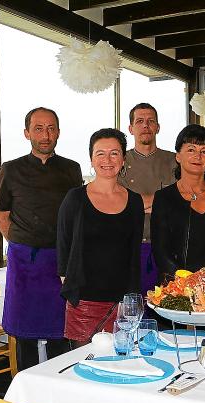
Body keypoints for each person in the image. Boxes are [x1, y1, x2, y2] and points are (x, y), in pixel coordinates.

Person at [0, 107, 83, 369]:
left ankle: (59, 391)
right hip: (25, 264)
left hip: (60, 263)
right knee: (25, 334)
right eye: (39, 128)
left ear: (58, 133)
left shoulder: (71, 169)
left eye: (51, 128)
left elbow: (76, 215)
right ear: (27, 133)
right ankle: (25, 398)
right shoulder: (10, 169)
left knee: (60, 331)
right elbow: (1, 215)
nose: (46, 135)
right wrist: (23, 245)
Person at [58, 128, 144, 346]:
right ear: (91, 159)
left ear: (124, 159)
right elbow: (63, 244)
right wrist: (69, 284)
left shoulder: (134, 201)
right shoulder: (75, 198)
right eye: (100, 153)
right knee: (83, 368)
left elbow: (134, 253)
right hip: (84, 301)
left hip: (122, 302)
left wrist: (132, 301)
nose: (107, 159)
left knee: (121, 366)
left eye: (114, 153)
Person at [151, 124, 205, 284]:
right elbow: (161, 252)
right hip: (176, 287)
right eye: (191, 149)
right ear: (178, 156)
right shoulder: (164, 198)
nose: (198, 156)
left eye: (204, 151)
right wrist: (186, 281)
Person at [118, 103, 177, 295]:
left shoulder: (174, 161)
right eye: (140, 121)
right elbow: (118, 204)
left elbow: (180, 202)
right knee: (132, 307)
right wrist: (162, 201)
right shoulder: (119, 161)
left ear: (158, 127)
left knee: (166, 307)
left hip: (168, 248)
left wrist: (136, 203)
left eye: (151, 121)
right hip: (129, 247)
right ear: (130, 128)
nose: (146, 126)